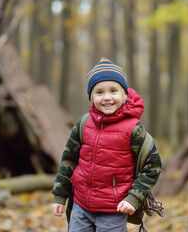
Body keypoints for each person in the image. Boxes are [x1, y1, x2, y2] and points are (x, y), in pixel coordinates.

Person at [51, 58, 162, 232]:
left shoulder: (134, 129)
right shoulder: (84, 123)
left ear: (125, 94)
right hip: (81, 205)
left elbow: (152, 166)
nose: (107, 97)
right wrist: (59, 195)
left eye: (113, 91)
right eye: (99, 92)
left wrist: (134, 198)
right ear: (91, 97)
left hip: (114, 209)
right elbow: (68, 161)